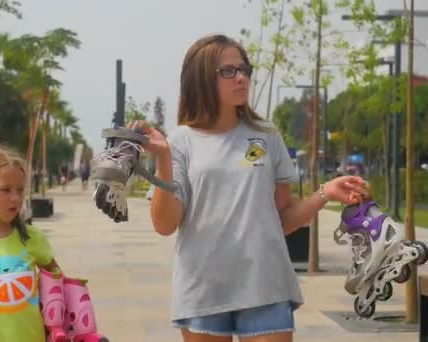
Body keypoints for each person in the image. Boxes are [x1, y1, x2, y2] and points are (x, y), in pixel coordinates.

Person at [135, 34, 368, 342]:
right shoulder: (180, 141)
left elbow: (281, 219)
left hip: (265, 284)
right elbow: (165, 224)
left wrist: (325, 193)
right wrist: (163, 157)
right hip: (203, 290)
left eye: (244, 69)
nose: (242, 78)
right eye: (229, 71)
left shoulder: (267, 136)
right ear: (201, 78)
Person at [0, 146, 107, 342]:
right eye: (5, 190)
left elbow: (60, 290)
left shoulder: (32, 238)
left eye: (20, 190)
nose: (15, 198)